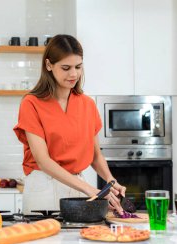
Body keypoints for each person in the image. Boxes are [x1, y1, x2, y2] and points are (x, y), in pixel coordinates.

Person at [13, 34, 126, 214]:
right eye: (66, 68)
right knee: (43, 242)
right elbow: (43, 161)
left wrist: (111, 181)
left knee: (76, 241)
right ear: (49, 65)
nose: (73, 74)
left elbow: (95, 156)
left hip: (77, 188)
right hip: (44, 188)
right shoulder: (31, 103)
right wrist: (89, 189)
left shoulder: (87, 104)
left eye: (78, 67)